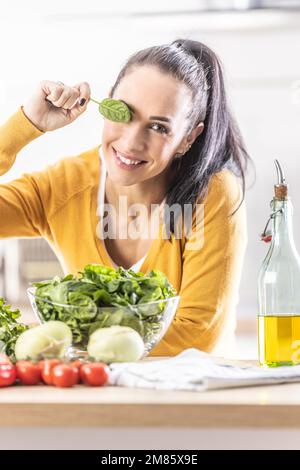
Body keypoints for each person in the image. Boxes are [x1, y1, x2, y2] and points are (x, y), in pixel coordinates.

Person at [0, 39, 250, 356]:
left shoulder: (213, 194)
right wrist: (26, 124)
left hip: (190, 399)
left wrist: (74, 352)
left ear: (188, 138)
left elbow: (197, 335)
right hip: (101, 393)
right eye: (124, 113)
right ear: (105, 106)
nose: (132, 142)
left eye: (159, 127)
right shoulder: (66, 185)